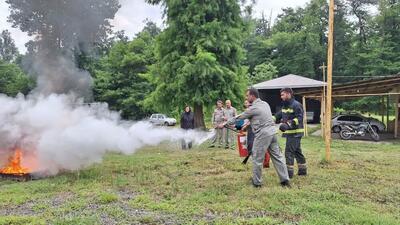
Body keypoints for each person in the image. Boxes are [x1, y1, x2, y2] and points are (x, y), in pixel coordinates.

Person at [227, 88, 290, 188]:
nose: (246, 98)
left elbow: (240, 117)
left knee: (257, 158)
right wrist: (247, 126)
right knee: (278, 157)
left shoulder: (254, 108)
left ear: (253, 96)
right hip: (273, 133)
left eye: (247, 96)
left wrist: (225, 123)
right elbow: (259, 118)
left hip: (263, 135)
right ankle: (285, 180)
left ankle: (257, 183)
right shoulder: (265, 104)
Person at [274, 88, 307, 179]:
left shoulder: (296, 105)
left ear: (289, 94)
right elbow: (280, 113)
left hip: (295, 133)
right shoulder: (285, 106)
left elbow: (300, 118)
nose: (281, 97)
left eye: (283, 95)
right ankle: (302, 170)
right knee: (297, 151)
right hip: (291, 133)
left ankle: (289, 174)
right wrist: (272, 118)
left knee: (289, 152)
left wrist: (288, 124)